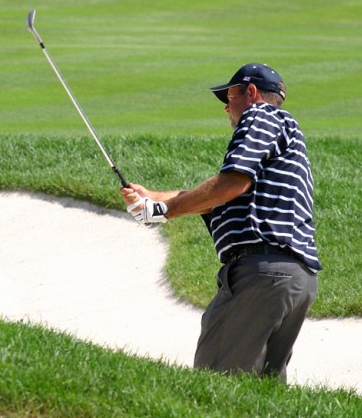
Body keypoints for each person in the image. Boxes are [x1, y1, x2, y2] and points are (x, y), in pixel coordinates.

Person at [121, 63, 321, 380]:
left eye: (229, 97)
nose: (226, 107)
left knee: (218, 382)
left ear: (251, 92)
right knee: (261, 394)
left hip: (262, 273)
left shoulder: (260, 116)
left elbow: (232, 184)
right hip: (294, 278)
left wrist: (165, 210)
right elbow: (222, 199)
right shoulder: (283, 135)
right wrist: (156, 198)